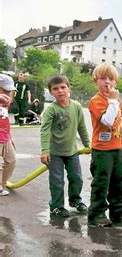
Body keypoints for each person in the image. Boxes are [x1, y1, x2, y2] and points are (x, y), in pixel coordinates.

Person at [40, 74, 90, 217]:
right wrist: (45, 151)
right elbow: (45, 131)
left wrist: (88, 144)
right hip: (54, 153)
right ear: (51, 92)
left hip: (72, 152)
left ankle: (75, 200)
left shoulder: (76, 106)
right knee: (57, 181)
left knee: (77, 178)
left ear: (69, 88)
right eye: (56, 89)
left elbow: (82, 127)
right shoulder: (51, 109)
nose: (60, 91)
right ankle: (56, 206)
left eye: (63, 87)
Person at [87, 63, 122, 227]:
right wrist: (112, 101)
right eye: (103, 78)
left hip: (116, 148)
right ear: (95, 81)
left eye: (111, 79)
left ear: (116, 82)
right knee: (101, 182)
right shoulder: (96, 101)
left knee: (118, 181)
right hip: (102, 150)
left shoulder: (117, 102)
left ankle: (117, 211)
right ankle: (96, 213)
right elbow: (107, 120)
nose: (107, 82)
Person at [0, 74, 17, 196]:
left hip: (5, 137)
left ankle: (2, 184)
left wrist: (10, 138)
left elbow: (5, 121)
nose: (7, 93)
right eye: (4, 90)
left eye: (9, 90)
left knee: (11, 161)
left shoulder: (6, 103)